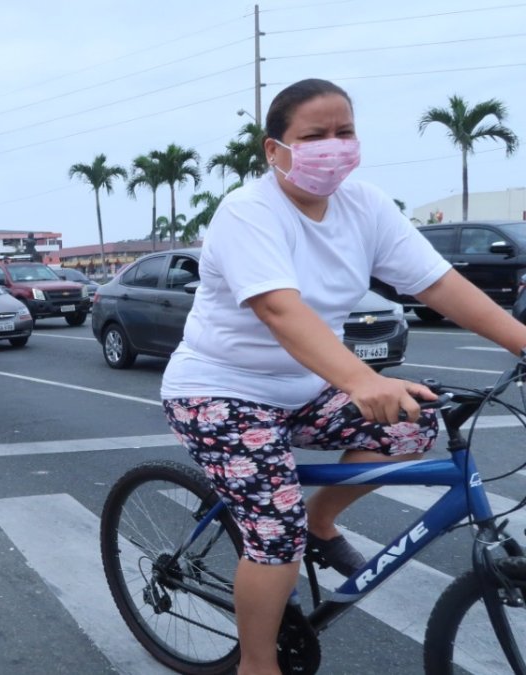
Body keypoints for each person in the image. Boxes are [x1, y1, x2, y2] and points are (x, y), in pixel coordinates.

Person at [159, 78, 526, 675]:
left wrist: (522, 341)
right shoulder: (248, 211)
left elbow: (438, 284)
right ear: (274, 149)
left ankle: (321, 519)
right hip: (220, 391)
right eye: (314, 136)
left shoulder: (367, 206)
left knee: (411, 425)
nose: (333, 146)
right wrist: (361, 380)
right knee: (274, 534)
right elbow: (281, 310)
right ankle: (257, 664)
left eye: (344, 132)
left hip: (305, 389)